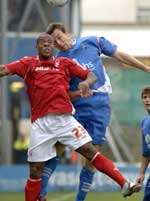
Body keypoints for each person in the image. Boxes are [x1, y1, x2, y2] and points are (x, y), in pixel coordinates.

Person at [0, 33, 138, 201]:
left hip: (65, 120)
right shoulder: (28, 63)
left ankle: (124, 184)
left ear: (53, 48)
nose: (47, 45)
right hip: (41, 125)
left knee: (90, 151)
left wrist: (85, 83)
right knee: (35, 170)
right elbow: (4, 69)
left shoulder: (64, 63)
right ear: (36, 47)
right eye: (43, 43)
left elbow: (91, 75)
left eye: (50, 43)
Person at [39, 22, 150, 201]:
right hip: (74, 107)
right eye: (54, 42)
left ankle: (80, 199)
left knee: (92, 155)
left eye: (59, 37)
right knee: (57, 147)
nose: (59, 43)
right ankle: (40, 193)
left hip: (99, 106)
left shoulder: (92, 42)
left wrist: (145, 68)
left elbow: (119, 55)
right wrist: (78, 93)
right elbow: (61, 93)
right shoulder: (58, 62)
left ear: (67, 32)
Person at [135, 86, 150, 201]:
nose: (147, 100)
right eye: (144, 97)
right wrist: (141, 173)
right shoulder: (144, 123)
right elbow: (146, 153)